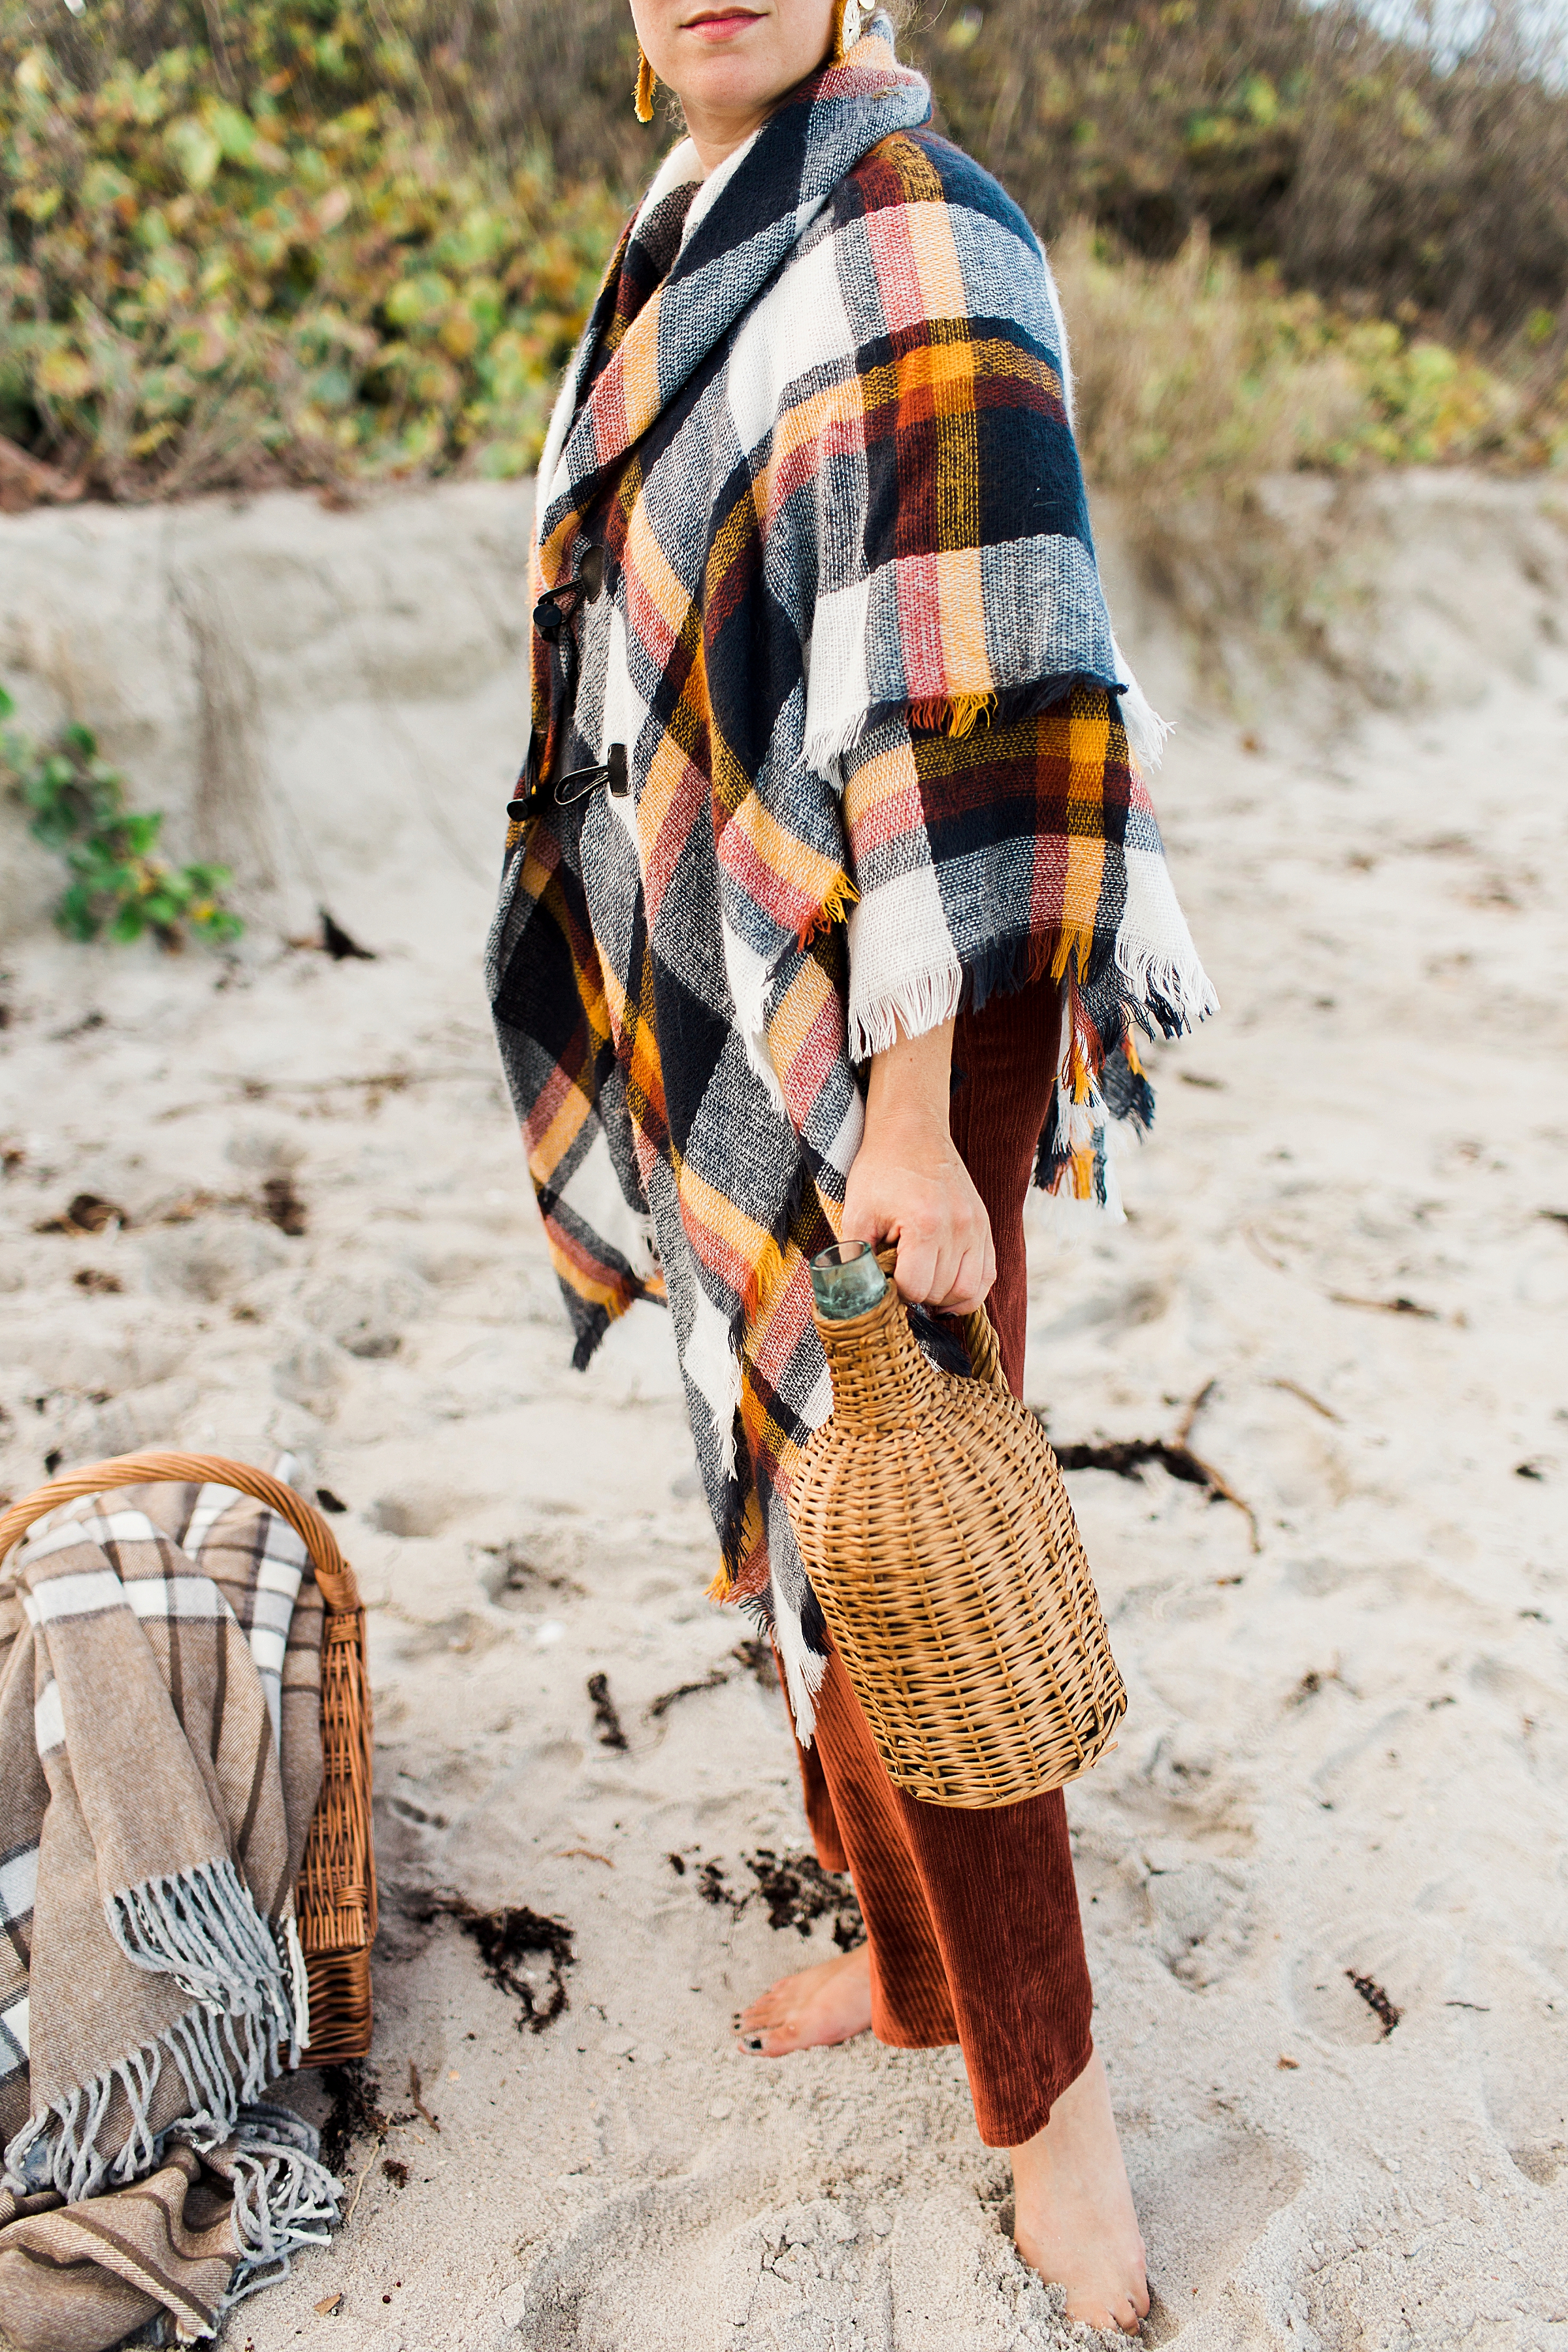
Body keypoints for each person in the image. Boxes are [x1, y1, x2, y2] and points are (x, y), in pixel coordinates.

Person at [487, 1, 1215, 2330]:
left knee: (921, 1535)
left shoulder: (911, 231)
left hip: (930, 974)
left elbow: (948, 701)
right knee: (823, 1494)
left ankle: (1060, 2108)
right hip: (769, 949)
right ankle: (917, 1980)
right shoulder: (695, 223)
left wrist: (908, 1117)